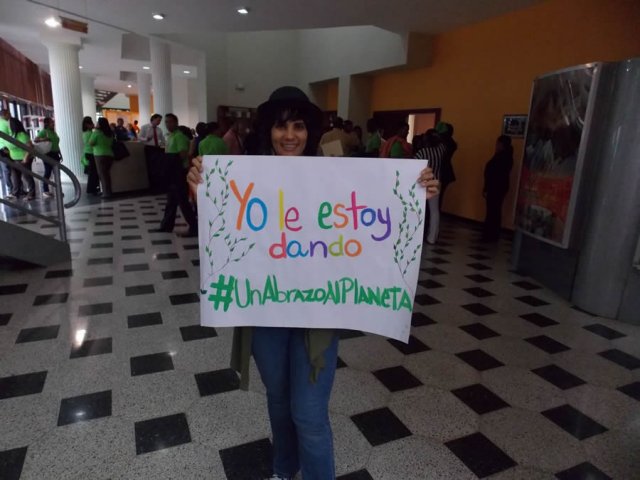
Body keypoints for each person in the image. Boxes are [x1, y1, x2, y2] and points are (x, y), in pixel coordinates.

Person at [187, 86, 440, 480]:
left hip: (317, 316)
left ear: (310, 131)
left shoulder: (336, 175)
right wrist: (200, 189)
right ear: (268, 130)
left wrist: (413, 193)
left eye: (299, 126)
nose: (290, 135)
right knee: (278, 402)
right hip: (266, 311)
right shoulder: (246, 172)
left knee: (309, 414)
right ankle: (283, 470)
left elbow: (374, 213)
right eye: (281, 126)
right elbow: (222, 229)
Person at [154, 113, 198, 237]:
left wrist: (169, 160)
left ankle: (194, 227)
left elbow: (183, 154)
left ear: (176, 122)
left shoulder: (179, 137)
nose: (168, 124)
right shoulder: (170, 136)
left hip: (179, 172)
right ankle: (166, 225)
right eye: (166, 122)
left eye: (170, 122)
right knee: (171, 200)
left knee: (182, 201)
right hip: (172, 172)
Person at [415, 129, 447, 244]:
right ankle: (432, 237)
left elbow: (414, 165)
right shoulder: (441, 149)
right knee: (434, 211)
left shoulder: (422, 152)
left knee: (419, 209)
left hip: (423, 183)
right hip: (436, 181)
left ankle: (417, 234)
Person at [483, 135, 514, 242]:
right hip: (500, 186)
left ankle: (490, 234)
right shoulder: (507, 156)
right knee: (495, 210)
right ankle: (492, 233)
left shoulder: (501, 157)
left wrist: (487, 186)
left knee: (493, 210)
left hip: (495, 186)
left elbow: (493, 172)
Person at [6, 118, 34, 200]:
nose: (7, 125)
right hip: (14, 159)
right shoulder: (12, 134)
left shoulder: (22, 135)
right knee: (15, 177)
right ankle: (15, 193)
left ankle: (31, 194)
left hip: (23, 159)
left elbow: (30, 147)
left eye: (8, 123)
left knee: (27, 176)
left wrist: (25, 158)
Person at [33, 117, 62, 198]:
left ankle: (59, 190)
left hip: (56, 154)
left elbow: (56, 143)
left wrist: (59, 153)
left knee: (57, 173)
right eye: (51, 122)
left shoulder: (54, 132)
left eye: (53, 122)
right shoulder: (44, 132)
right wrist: (44, 139)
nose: (53, 123)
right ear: (47, 124)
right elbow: (35, 140)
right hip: (48, 154)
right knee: (48, 172)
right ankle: (45, 190)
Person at [138, 114, 166, 193]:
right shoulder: (145, 127)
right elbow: (139, 137)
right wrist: (146, 139)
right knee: (151, 168)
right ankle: (152, 188)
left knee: (158, 168)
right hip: (149, 149)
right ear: (153, 119)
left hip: (158, 149)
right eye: (158, 120)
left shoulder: (159, 129)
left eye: (160, 120)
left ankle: (159, 187)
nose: (159, 122)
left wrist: (164, 144)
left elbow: (162, 139)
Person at [89, 117, 115, 198]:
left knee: (102, 175)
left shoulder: (97, 133)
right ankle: (107, 191)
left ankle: (106, 193)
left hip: (99, 155)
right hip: (110, 155)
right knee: (106, 175)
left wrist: (95, 131)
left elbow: (91, 143)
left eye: (97, 123)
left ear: (99, 124)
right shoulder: (109, 133)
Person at [435, 121, 457, 210]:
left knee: (435, 198)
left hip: (440, 172)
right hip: (446, 172)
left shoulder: (442, 143)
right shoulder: (452, 143)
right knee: (438, 197)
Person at [82, 116, 100, 195]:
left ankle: (92, 189)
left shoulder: (88, 133)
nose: (93, 124)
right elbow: (92, 143)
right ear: (87, 125)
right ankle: (92, 189)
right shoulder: (89, 133)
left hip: (90, 153)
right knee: (93, 172)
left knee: (93, 172)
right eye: (91, 123)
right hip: (90, 153)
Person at [0, 109, 13, 195]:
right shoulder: (7, 123)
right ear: (5, 114)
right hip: (6, 149)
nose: (10, 116)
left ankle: (10, 189)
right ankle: (13, 189)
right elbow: (13, 136)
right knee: (10, 170)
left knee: (5, 170)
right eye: (9, 114)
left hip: (1, 149)